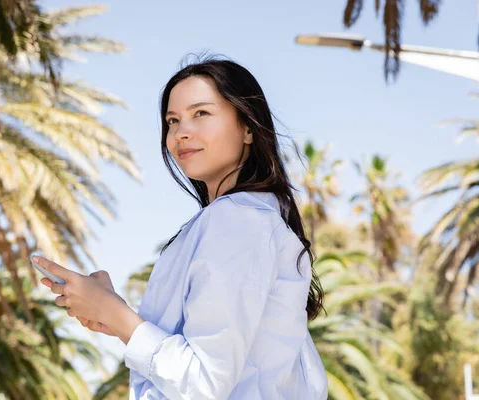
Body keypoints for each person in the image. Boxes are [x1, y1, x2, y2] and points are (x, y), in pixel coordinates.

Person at [32, 55, 328, 399]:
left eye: (201, 113)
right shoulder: (243, 219)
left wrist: (117, 315)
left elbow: (205, 382)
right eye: (173, 120)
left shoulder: (237, 220)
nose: (181, 133)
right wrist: (111, 313)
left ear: (248, 127)